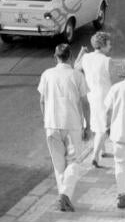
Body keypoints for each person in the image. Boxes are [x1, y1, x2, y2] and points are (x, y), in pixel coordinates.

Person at [37, 43, 90, 212]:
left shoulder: (47, 74)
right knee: (74, 161)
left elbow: (42, 101)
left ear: (55, 57)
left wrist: (46, 120)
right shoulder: (77, 75)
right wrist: (87, 125)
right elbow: (84, 103)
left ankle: (63, 197)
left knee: (58, 164)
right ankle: (65, 195)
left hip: (51, 124)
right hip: (72, 123)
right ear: (71, 57)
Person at [75, 33, 116, 167]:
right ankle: (95, 156)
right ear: (102, 45)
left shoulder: (86, 57)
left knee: (98, 124)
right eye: (109, 44)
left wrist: (81, 53)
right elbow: (114, 81)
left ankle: (102, 151)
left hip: (91, 95)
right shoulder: (107, 60)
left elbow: (76, 68)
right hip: (104, 96)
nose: (110, 46)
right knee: (103, 127)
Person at [104, 56, 125, 209]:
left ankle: (122, 194)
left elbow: (107, 110)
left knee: (120, 163)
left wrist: (107, 126)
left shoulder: (116, 88)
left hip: (120, 130)